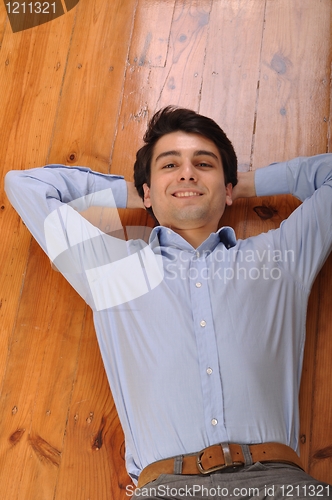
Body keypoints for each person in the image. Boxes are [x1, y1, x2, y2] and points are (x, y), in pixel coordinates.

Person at [5, 106, 332, 499]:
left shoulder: (280, 257)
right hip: (167, 489)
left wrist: (241, 183)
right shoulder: (112, 268)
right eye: (170, 165)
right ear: (147, 191)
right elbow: (23, 185)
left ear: (227, 188)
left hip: (280, 484)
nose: (187, 173)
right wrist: (136, 191)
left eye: (204, 164)